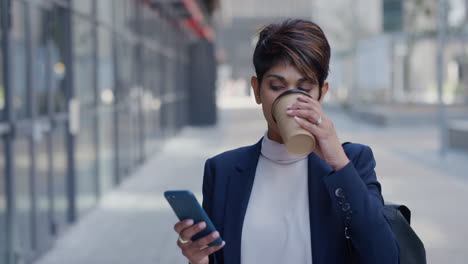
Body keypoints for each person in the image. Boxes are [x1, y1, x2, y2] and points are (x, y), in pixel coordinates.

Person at [173, 19, 400, 264]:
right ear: (257, 90)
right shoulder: (223, 171)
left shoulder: (353, 162)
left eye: (304, 89)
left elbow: (386, 257)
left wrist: (339, 164)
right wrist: (198, 260)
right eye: (277, 86)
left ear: (322, 93)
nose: (290, 101)